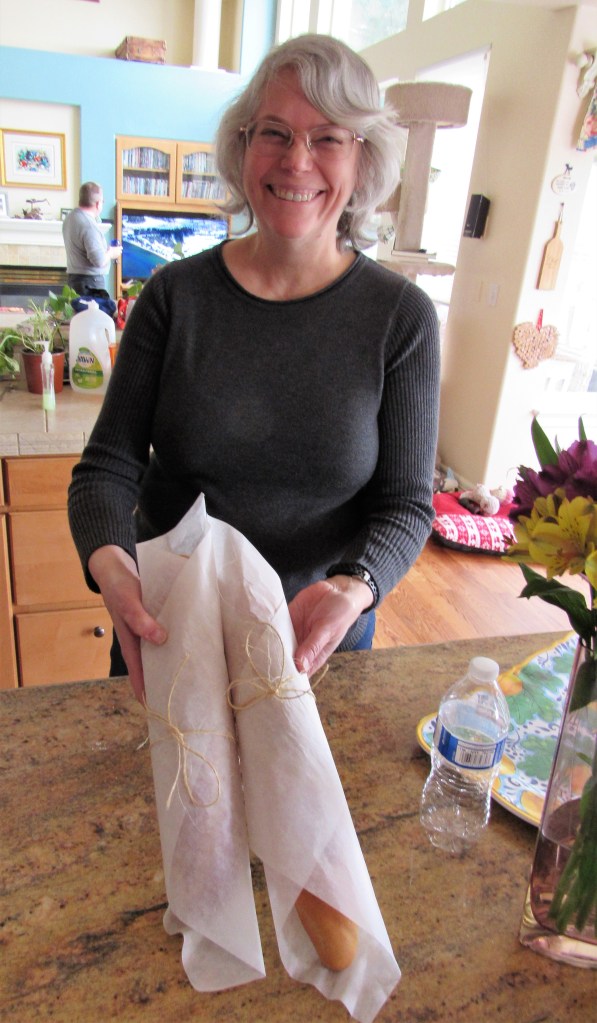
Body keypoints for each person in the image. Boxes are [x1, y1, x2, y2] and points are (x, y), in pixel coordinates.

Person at [68, 34, 441, 704]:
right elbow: (106, 468)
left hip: (316, 648)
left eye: (328, 137)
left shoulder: (401, 318)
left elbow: (405, 504)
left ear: (363, 158)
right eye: (274, 132)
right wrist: (113, 566)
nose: (296, 160)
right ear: (243, 147)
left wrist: (355, 586)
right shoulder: (174, 297)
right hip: (170, 632)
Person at [62, 182, 122, 297]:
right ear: (98, 203)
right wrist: (111, 253)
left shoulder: (70, 218)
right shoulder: (89, 225)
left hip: (73, 280)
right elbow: (99, 261)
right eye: (102, 201)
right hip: (90, 285)